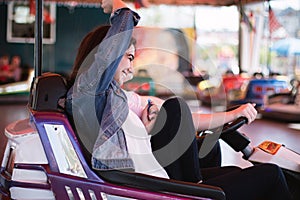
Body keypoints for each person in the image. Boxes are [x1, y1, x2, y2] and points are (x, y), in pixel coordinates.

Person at [65, 0, 292, 199]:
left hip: (158, 179)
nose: (131, 70)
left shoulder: (116, 97)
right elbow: (113, 49)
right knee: (271, 175)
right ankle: (200, 188)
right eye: (128, 58)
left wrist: (231, 115)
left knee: (234, 166)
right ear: (101, 56)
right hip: (155, 189)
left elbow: (180, 118)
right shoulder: (87, 95)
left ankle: (207, 177)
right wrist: (117, 5)